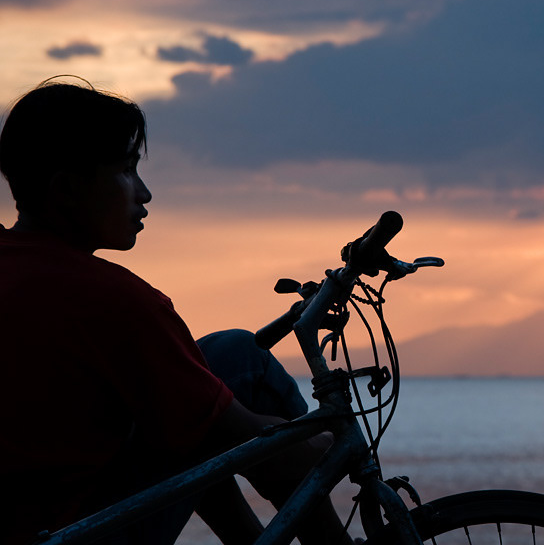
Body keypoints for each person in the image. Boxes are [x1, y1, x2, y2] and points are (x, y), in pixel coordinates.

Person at [0, 79, 350, 545]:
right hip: (83, 532)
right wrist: (328, 436)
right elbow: (254, 438)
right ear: (66, 188)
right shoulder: (114, 299)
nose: (144, 193)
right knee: (243, 361)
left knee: (196, 404)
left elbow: (197, 422)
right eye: (126, 171)